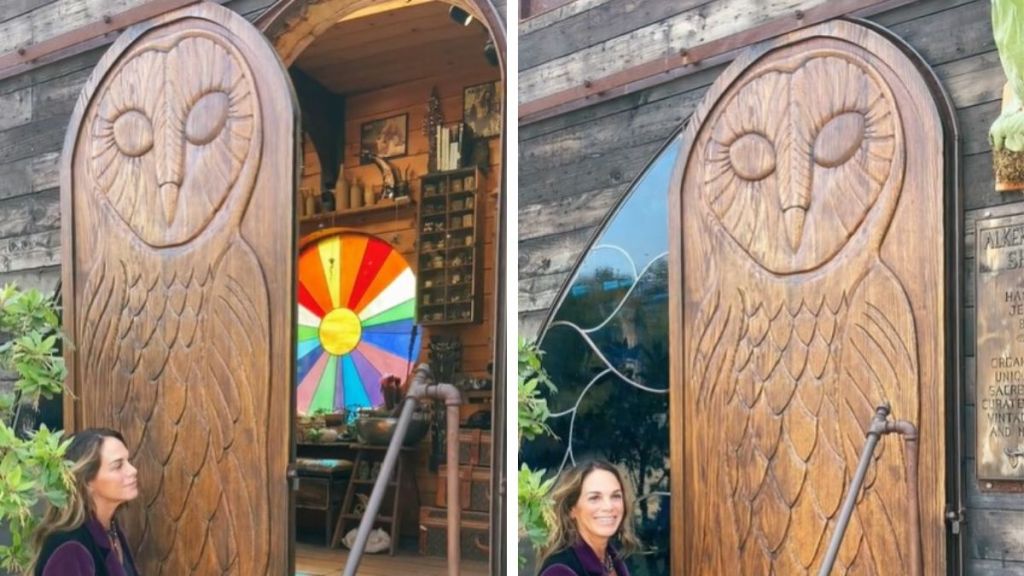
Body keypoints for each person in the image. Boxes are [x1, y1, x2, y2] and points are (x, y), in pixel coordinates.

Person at [27, 428, 140, 576]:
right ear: (87, 481)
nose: (133, 470)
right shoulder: (69, 548)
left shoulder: (110, 529)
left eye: (128, 461)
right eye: (118, 465)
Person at [538, 459, 640, 576]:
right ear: (572, 509)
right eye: (594, 498)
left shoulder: (614, 559)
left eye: (615, 496)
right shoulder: (559, 572)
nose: (608, 506)